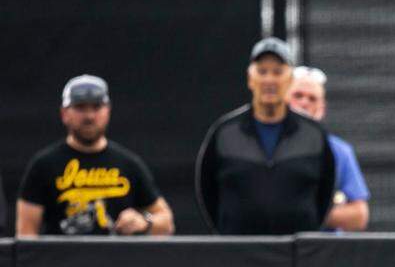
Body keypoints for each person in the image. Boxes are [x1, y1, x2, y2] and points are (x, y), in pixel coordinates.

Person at [195, 37, 335, 234]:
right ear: (250, 79)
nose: (269, 79)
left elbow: (325, 194)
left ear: (290, 80)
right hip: (239, 254)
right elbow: (207, 192)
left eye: (277, 72)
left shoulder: (314, 135)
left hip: (297, 257)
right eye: (262, 72)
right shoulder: (225, 133)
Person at [16, 75, 174, 237]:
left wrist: (144, 222)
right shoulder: (43, 166)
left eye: (96, 107)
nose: (89, 116)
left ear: (108, 111)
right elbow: (26, 235)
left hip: (117, 260)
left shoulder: (129, 165)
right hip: (62, 261)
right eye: (80, 108)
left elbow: (167, 223)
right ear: (64, 114)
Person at [288, 66, 370, 232]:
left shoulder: (339, 151)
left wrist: (306, 213)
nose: (304, 103)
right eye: (298, 95)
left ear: (322, 109)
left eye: (312, 99)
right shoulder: (265, 145)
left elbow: (359, 215)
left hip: (323, 252)